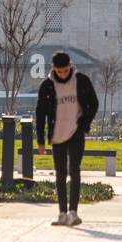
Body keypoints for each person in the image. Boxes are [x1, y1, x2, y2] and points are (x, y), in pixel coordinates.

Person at [35, 50, 99, 227]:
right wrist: (40, 140)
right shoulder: (47, 86)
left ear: (70, 66)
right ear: (53, 68)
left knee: (75, 170)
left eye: (65, 70)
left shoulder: (82, 81)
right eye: (59, 71)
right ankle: (62, 212)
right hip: (57, 134)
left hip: (76, 132)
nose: (62, 74)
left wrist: (84, 124)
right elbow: (40, 114)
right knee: (60, 174)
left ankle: (73, 212)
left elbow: (94, 103)